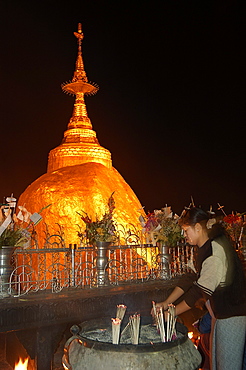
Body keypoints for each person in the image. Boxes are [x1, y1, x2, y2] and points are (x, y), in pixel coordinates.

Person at [152, 207, 246, 370]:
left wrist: (170, 314)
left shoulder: (214, 252)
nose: (185, 235)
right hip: (221, 314)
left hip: (233, 315)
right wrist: (166, 303)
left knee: (228, 365)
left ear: (197, 228)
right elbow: (190, 277)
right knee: (218, 363)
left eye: (186, 230)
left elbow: (199, 292)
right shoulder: (203, 248)